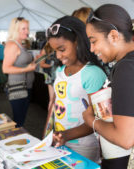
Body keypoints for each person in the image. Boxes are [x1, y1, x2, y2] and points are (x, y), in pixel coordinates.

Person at [84, 4, 134, 169]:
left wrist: (92, 120)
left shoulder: (128, 69)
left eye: (93, 41)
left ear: (113, 36)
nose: (92, 49)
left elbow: (124, 139)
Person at [46, 16, 107, 162]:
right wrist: (47, 135)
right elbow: (54, 107)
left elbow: (99, 120)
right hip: (59, 141)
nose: (58, 55)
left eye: (62, 49)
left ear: (78, 42)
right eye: (55, 51)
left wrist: (66, 135)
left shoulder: (93, 74)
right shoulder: (60, 71)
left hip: (84, 146)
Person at [2, 17, 36, 127]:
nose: (27, 31)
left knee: (21, 119)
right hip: (18, 87)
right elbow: (5, 68)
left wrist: (36, 60)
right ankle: (16, 140)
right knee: (18, 121)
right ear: (15, 29)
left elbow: (22, 63)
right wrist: (27, 69)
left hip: (26, 86)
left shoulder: (21, 44)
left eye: (28, 28)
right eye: (24, 29)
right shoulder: (12, 45)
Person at [37, 42, 59, 111]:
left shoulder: (59, 47)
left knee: (59, 99)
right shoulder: (45, 49)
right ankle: (51, 119)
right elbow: (41, 64)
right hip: (50, 77)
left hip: (60, 77)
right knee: (52, 100)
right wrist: (52, 65)